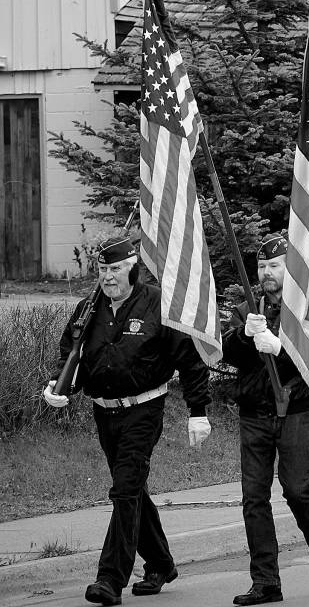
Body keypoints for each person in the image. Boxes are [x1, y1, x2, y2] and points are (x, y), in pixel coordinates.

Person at [43, 235, 212, 607]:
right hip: (104, 411)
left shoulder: (157, 304)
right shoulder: (89, 308)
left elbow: (190, 359)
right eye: (102, 270)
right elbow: (71, 351)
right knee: (132, 490)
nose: (108, 277)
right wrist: (60, 385)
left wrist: (198, 411)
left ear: (132, 267)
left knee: (124, 490)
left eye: (115, 269)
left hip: (144, 409)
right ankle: (161, 563)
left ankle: (109, 579)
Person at [222, 234, 309, 606]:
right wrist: (244, 334)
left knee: (296, 488)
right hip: (254, 413)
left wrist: (281, 347)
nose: (267, 273)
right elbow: (228, 353)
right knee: (254, 498)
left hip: (295, 411)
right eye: (262, 266)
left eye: (275, 265)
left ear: (290, 267)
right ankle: (266, 581)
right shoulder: (246, 309)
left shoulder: (305, 310)